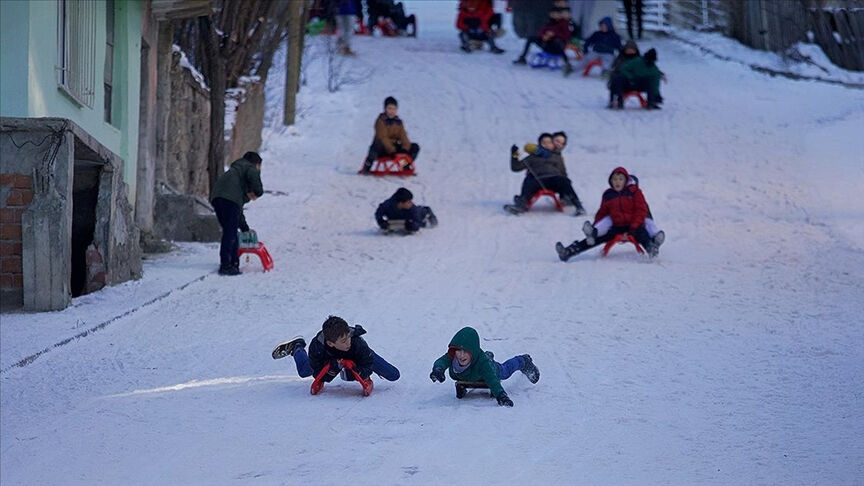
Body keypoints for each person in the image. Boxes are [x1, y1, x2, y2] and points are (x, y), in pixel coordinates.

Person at [555, 166, 664, 261]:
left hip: (634, 226)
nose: (617, 182)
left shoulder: (635, 192)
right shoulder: (608, 195)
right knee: (595, 239)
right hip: (617, 226)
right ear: (610, 181)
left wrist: (634, 227)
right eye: (615, 179)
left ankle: (652, 249)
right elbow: (602, 213)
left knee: (643, 234)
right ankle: (569, 252)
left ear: (626, 181)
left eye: (621, 179)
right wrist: (595, 227)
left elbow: (641, 210)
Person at [272, 316, 401, 393]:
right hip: (327, 358)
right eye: (343, 341)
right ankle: (296, 347)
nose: (348, 342)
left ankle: (360, 363)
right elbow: (317, 373)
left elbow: (367, 364)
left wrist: (360, 372)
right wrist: (332, 369)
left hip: (357, 355)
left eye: (348, 337)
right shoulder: (317, 347)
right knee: (303, 371)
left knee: (393, 375)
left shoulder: (356, 343)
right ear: (331, 343)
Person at [430, 326, 540, 407]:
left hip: (490, 370)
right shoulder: (453, 357)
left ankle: (523, 361)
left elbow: (493, 381)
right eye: (458, 351)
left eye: (466, 352)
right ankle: (489, 355)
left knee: (504, 371)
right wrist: (438, 369)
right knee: (485, 361)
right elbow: (442, 361)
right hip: (474, 373)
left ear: (473, 352)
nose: (461, 355)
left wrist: (501, 395)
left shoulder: (483, 364)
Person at [210, 151, 264, 276]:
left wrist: (245, 229)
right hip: (228, 200)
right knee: (230, 233)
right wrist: (258, 191)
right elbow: (253, 174)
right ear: (256, 164)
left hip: (217, 198)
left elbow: (238, 211)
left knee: (231, 231)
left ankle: (234, 262)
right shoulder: (249, 168)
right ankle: (226, 265)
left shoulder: (236, 172)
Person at [584, 173, 664, 254]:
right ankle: (593, 232)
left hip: (636, 224)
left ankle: (655, 237)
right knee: (608, 220)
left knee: (647, 221)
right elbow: (602, 213)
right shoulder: (613, 196)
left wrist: (635, 225)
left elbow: (643, 213)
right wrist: (596, 224)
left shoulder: (636, 196)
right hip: (619, 224)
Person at [508, 133, 586, 215]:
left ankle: (578, 205)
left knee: (564, 180)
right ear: (539, 145)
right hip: (537, 180)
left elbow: (563, 172)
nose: (546, 145)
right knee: (528, 180)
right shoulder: (532, 157)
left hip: (554, 179)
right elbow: (516, 168)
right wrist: (514, 155)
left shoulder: (556, 157)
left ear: (553, 144)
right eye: (543, 142)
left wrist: (565, 188)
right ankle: (521, 205)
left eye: (549, 142)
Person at [362, 96, 420, 173]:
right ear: (385, 109)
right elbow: (383, 137)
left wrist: (404, 149)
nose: (391, 111)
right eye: (389, 108)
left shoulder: (398, 122)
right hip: (382, 148)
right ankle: (367, 166)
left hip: (394, 149)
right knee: (378, 145)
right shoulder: (381, 121)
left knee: (414, 147)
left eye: (394, 109)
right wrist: (392, 151)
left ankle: (404, 165)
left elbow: (403, 136)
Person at [513, 6, 575, 76]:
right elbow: (541, 31)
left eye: (556, 14)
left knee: (556, 41)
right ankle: (522, 58)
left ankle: (567, 64)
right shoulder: (549, 22)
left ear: (560, 14)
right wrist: (544, 36)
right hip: (546, 44)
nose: (554, 15)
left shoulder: (564, 23)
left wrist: (554, 34)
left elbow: (567, 36)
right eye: (553, 14)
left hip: (557, 46)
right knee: (531, 38)